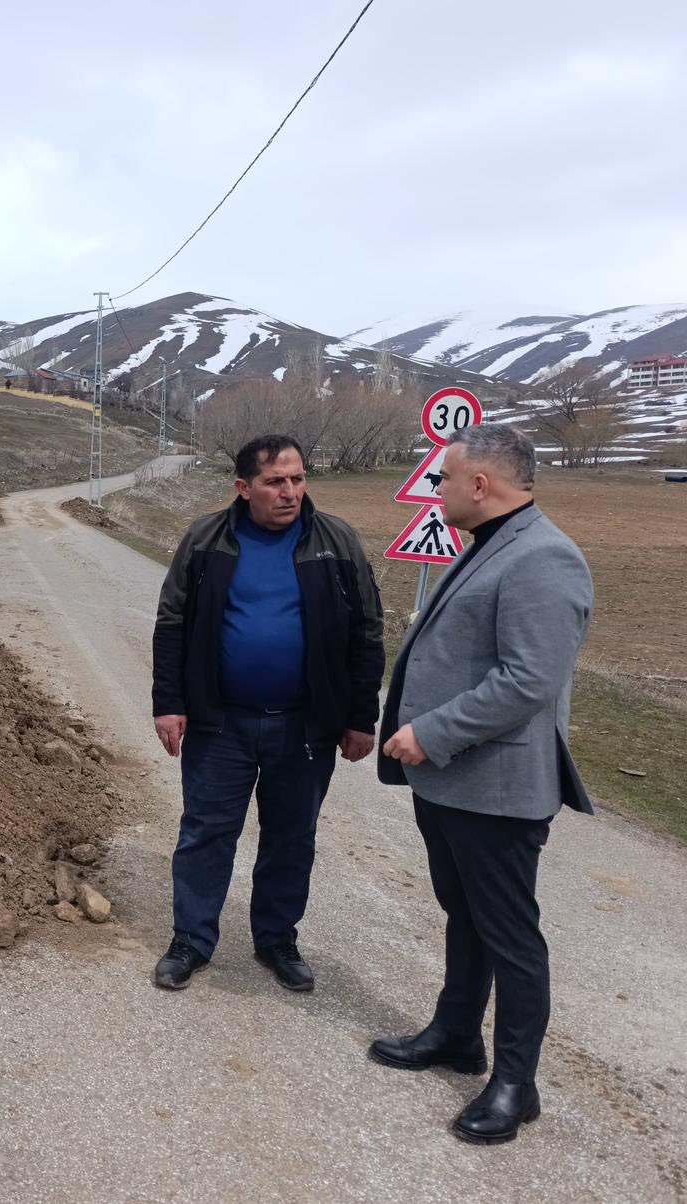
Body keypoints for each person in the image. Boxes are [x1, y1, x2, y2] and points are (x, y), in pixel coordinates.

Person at [372, 422, 593, 1145]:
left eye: (442, 478)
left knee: (510, 936)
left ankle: (515, 1084)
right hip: (453, 787)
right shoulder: (493, 544)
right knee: (464, 916)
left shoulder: (544, 558)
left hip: (496, 791)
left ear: (479, 484)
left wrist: (430, 732)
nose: (436, 491)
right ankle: (456, 1033)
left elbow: (529, 679)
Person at [151, 434, 384, 992]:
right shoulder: (207, 540)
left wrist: (360, 716)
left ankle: (277, 938)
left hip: (305, 723)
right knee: (206, 832)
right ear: (243, 487)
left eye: (298, 479)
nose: (290, 492)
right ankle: (191, 940)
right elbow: (172, 624)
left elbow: (367, 632)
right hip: (220, 721)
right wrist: (169, 703)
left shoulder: (337, 541)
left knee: (292, 835)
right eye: (275, 481)